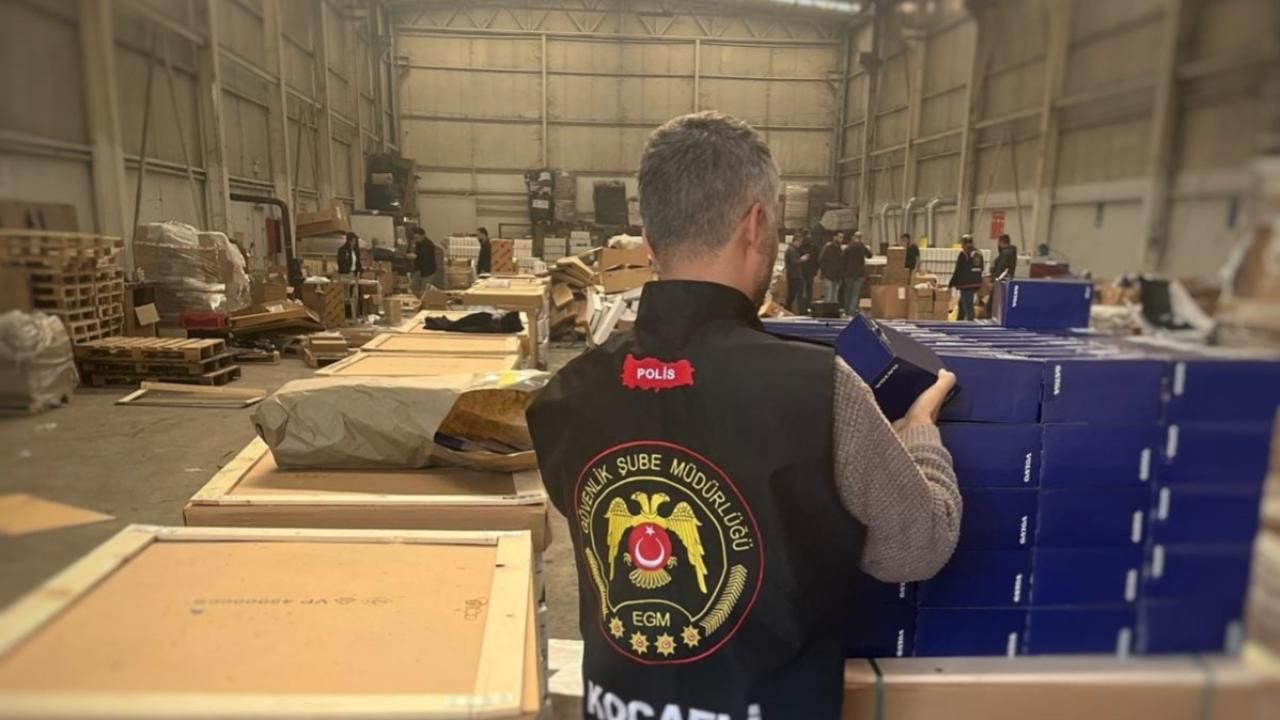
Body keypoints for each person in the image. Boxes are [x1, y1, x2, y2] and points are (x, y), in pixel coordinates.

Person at [525, 111, 960, 720]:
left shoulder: (568, 392)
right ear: (756, 224)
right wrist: (919, 437)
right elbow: (914, 549)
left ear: (648, 241)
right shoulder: (822, 389)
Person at [949, 234, 984, 321]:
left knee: (968, 306)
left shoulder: (964, 254)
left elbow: (958, 270)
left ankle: (971, 323)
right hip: (976, 282)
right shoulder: (979, 253)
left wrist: (951, 284)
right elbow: (982, 268)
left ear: (964, 243)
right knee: (962, 303)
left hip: (966, 284)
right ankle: (960, 319)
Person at [842, 230, 872, 316]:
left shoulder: (849, 247)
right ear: (861, 238)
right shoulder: (862, 246)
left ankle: (846, 310)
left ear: (853, 237)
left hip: (848, 274)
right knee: (855, 293)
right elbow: (870, 255)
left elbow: (843, 259)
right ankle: (852, 311)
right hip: (859, 274)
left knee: (847, 293)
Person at [336, 231, 363, 318]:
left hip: (354, 274)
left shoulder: (355, 251)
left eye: (355, 242)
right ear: (349, 241)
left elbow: (358, 262)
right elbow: (341, 263)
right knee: (347, 295)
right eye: (352, 241)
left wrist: (360, 271)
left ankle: (356, 313)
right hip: (346, 275)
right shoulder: (342, 250)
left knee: (355, 293)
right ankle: (347, 313)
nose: (354, 244)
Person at [817, 230, 844, 306]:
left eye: (842, 238)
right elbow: (821, 260)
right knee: (828, 298)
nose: (841, 239)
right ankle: (827, 312)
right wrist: (826, 272)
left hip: (837, 277)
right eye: (840, 237)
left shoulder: (840, 249)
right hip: (828, 277)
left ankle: (833, 312)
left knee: (835, 300)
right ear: (834, 237)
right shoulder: (828, 247)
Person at [783, 236, 807, 313]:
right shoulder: (790, 250)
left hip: (796, 275)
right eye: (799, 242)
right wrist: (801, 259)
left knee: (794, 294)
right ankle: (787, 309)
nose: (800, 244)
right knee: (792, 294)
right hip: (793, 275)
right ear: (795, 241)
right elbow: (793, 262)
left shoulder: (795, 250)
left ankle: (791, 309)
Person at [798, 231, 819, 314]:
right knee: (802, 291)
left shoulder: (814, 247)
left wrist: (815, 270)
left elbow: (817, 259)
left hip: (810, 271)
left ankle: (807, 307)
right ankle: (802, 309)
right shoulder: (801, 246)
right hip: (802, 271)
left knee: (809, 291)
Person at [411, 227, 437, 294]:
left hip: (428, 271)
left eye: (417, 237)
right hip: (419, 270)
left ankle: (424, 300)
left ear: (423, 235)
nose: (416, 239)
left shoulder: (428, 245)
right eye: (414, 238)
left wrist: (415, 256)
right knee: (413, 288)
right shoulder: (418, 243)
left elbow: (425, 257)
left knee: (424, 291)